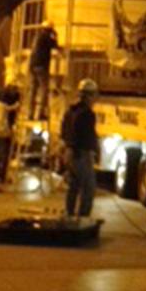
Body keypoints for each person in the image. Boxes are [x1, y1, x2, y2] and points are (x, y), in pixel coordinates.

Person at [61, 78, 99, 220]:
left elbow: (64, 131)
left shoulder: (70, 111)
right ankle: (83, 217)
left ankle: (69, 215)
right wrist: (94, 149)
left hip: (70, 153)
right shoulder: (87, 114)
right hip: (81, 154)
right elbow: (86, 135)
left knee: (74, 185)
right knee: (88, 187)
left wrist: (67, 148)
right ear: (89, 96)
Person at [28, 21, 57, 120]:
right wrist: (55, 35)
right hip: (41, 66)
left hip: (32, 65)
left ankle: (30, 114)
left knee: (33, 90)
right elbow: (55, 45)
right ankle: (40, 114)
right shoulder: (46, 37)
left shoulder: (37, 36)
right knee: (44, 89)